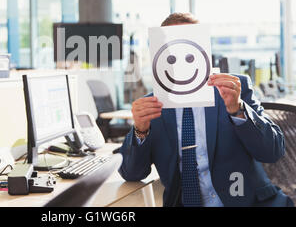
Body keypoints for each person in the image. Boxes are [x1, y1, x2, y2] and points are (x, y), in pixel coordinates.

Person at [118, 13, 294, 207]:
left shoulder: (235, 89)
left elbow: (273, 152)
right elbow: (131, 173)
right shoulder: (151, 106)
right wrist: (140, 130)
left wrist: (238, 110)